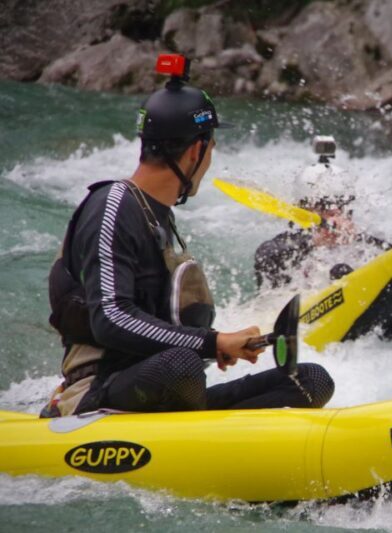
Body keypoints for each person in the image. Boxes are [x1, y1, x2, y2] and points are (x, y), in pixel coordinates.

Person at [41, 55, 334, 418]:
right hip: (98, 392)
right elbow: (111, 318)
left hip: (162, 389)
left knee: (311, 380)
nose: (209, 159)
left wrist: (221, 346)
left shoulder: (161, 219)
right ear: (197, 150)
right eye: (211, 149)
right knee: (181, 365)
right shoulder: (113, 206)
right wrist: (212, 342)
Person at [254, 137, 392, 289]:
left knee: (342, 271)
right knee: (340, 271)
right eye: (323, 206)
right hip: (298, 306)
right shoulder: (288, 244)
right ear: (304, 209)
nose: (335, 211)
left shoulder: (368, 245)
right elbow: (264, 256)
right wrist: (313, 241)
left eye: (341, 204)